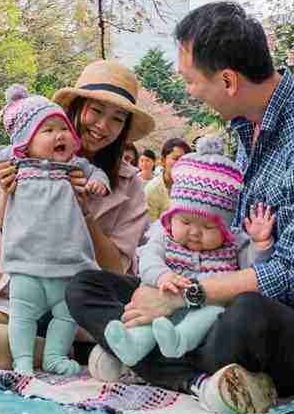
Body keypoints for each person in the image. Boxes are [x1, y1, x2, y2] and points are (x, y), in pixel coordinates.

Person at [67, 2, 294, 414]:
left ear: (227, 80)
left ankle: (149, 362)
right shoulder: (246, 131)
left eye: (191, 81)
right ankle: (201, 379)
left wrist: (183, 297)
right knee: (86, 287)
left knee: (245, 316)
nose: (189, 91)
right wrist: (168, 282)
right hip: (210, 302)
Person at [0, 60, 154, 371]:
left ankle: (65, 344)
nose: (102, 126)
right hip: (20, 290)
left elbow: (116, 270)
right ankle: (56, 352)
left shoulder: (129, 185)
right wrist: (6, 199)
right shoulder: (22, 160)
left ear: (125, 127)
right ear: (76, 109)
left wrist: (84, 213)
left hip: (79, 303)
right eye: (95, 111)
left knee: (138, 331)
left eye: (117, 118)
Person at [0, 89, 110, 375]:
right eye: (47, 130)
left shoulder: (74, 166)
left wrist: (98, 184)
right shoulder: (13, 162)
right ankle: (22, 360)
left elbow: (96, 174)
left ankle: (54, 356)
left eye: (63, 129)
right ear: (25, 141)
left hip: (68, 267)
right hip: (25, 264)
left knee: (66, 315)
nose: (59, 135)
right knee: (22, 316)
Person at [101, 136, 275, 368]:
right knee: (139, 310)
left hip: (206, 307)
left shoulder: (233, 245)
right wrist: (162, 276)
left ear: (224, 228)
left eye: (208, 227)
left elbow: (253, 270)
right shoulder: (163, 236)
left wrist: (260, 244)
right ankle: (132, 346)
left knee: (210, 314)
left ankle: (179, 342)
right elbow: (148, 258)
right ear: (171, 217)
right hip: (159, 301)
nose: (195, 232)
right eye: (185, 221)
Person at [145, 137, 189, 222]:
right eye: (176, 159)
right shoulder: (152, 189)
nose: (181, 163)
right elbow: (150, 227)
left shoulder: (190, 186)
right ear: (163, 160)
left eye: (184, 160)